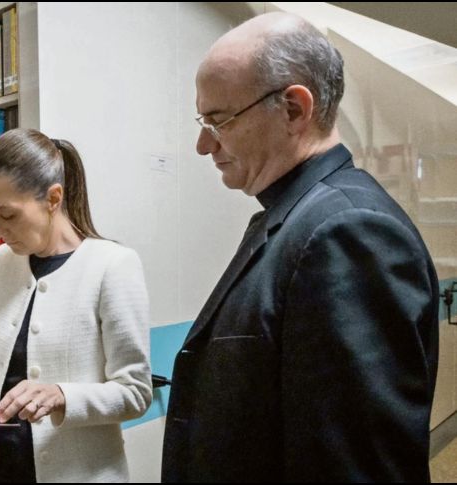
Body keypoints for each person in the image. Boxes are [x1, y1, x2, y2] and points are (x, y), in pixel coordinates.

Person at [162, 12, 439, 482]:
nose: (203, 145)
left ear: (293, 108)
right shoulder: (294, 218)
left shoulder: (348, 232)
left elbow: (356, 468)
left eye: (218, 120)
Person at [0, 128, 152, 483]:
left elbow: (134, 392)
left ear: (53, 198)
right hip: (5, 468)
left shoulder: (113, 266)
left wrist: (61, 395)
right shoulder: (1, 263)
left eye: (7, 215)